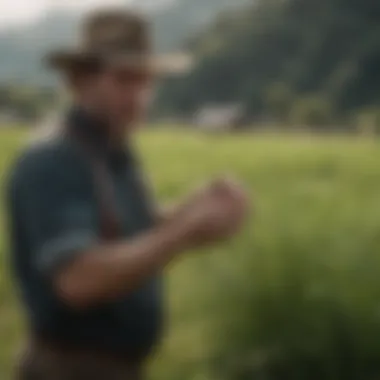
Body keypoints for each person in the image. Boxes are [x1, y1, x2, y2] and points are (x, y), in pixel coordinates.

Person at [6, 8, 249, 380]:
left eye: (145, 81)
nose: (138, 95)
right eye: (124, 80)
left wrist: (193, 211)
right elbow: (79, 279)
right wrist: (183, 233)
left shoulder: (113, 152)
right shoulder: (53, 160)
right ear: (79, 81)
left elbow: (129, 230)